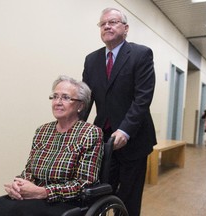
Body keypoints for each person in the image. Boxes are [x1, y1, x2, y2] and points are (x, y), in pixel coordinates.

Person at [0, 75, 103, 216]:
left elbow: (84, 184)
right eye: (55, 97)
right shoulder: (42, 131)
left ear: (80, 105)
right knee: (0, 205)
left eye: (65, 97)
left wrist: (43, 192)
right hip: (34, 197)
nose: (58, 102)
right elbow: (29, 171)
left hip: (66, 202)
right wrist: (19, 185)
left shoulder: (90, 133)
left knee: (22, 211)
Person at [82, 7, 157, 216]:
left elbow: (142, 98)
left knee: (129, 200)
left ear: (125, 28)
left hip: (133, 138)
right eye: (103, 23)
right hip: (103, 140)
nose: (107, 26)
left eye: (113, 22)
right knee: (101, 194)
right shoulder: (91, 59)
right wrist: (75, 128)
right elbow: (86, 98)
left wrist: (125, 130)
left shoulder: (141, 54)